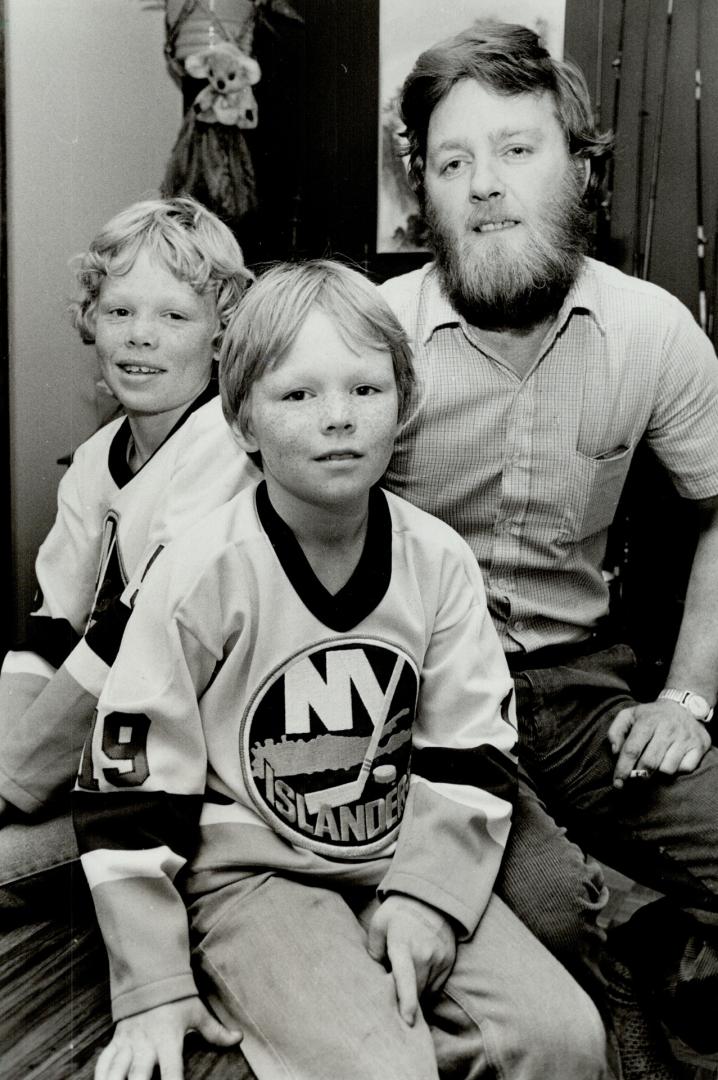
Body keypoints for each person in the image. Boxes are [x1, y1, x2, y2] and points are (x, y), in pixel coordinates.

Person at [72, 260, 607, 1080]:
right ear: (243, 421)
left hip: (401, 853)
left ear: (404, 406)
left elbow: (467, 751)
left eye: (365, 391)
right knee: (381, 1068)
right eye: (298, 396)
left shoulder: (438, 561)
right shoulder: (198, 572)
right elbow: (130, 794)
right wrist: (151, 985)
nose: (338, 420)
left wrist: (429, 897)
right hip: (251, 873)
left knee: (563, 1039)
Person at [379, 19, 718, 1076]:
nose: (483, 184)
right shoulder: (367, 339)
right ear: (420, 192)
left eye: (516, 150)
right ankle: (618, 954)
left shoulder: (653, 332)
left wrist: (687, 697)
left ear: (580, 167)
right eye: (452, 161)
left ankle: (646, 936)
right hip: (418, 701)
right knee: (545, 904)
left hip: (581, 690)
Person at [0, 195, 259, 911]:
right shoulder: (92, 461)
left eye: (174, 316)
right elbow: (55, 628)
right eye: (119, 312)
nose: (141, 337)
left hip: (203, 776)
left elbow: (134, 634)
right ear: (91, 319)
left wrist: (13, 782)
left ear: (220, 332)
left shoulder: (227, 448)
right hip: (107, 751)